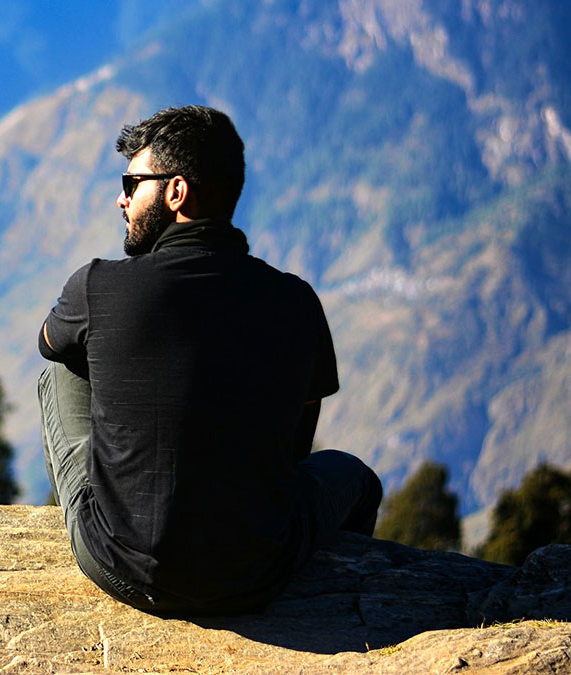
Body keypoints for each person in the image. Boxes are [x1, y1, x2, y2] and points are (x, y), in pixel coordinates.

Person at [37, 105, 382, 614]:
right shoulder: (296, 302)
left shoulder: (99, 285)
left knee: (62, 365)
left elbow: (49, 341)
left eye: (132, 184)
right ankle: (348, 604)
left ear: (176, 192)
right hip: (256, 575)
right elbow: (295, 448)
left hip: (120, 565)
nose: (121, 199)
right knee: (353, 476)